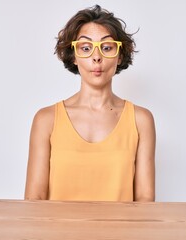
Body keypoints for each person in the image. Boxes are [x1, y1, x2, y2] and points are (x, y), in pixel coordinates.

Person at [24, 5, 156, 202]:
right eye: (86, 48)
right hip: (57, 233)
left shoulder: (141, 120)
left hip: (123, 233)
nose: (96, 57)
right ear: (74, 55)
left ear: (119, 56)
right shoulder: (46, 119)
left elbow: (145, 200)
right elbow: (34, 199)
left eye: (107, 47)